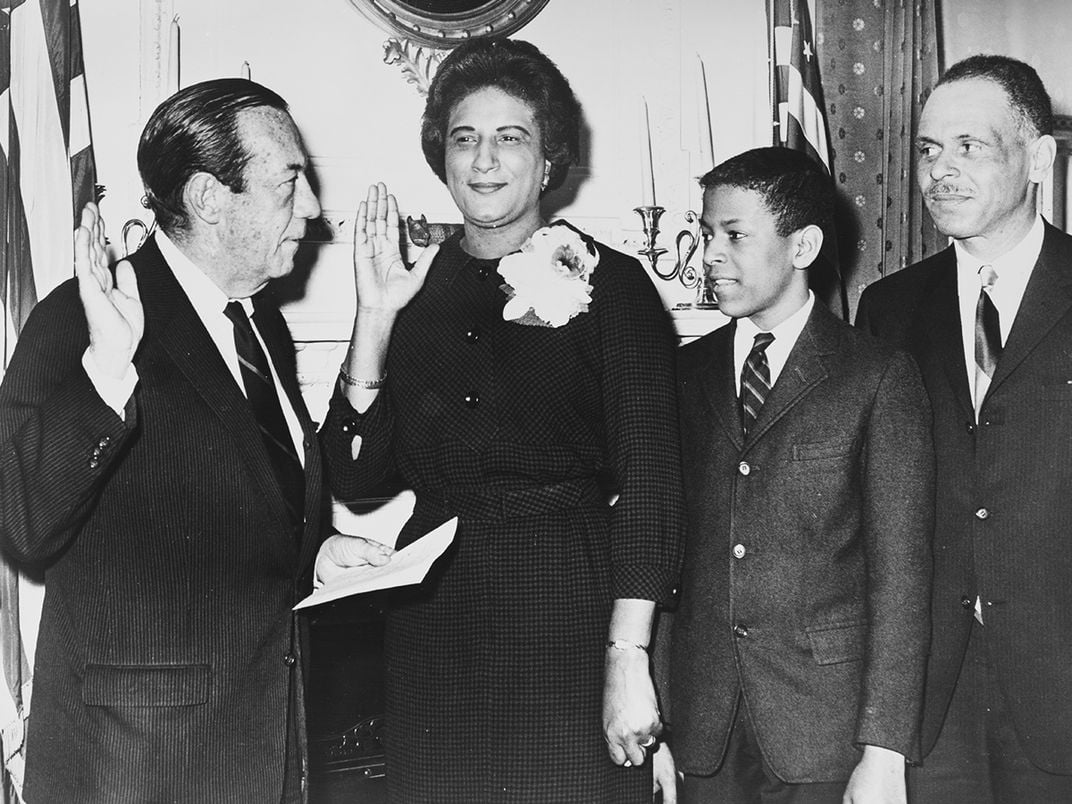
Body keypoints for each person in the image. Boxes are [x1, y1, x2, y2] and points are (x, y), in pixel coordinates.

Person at [0, 78, 393, 802]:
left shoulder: (260, 325)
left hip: (263, 744)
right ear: (212, 200)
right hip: (136, 764)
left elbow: (239, 506)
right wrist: (105, 370)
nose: (311, 208)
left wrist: (318, 551)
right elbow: (20, 521)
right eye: (289, 183)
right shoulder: (87, 318)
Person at [315, 38, 684, 803]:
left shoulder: (614, 287)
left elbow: (653, 484)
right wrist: (374, 318)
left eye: (510, 137)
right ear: (441, 158)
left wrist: (628, 654)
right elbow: (354, 475)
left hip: (571, 614)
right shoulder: (411, 288)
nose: (484, 159)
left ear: (549, 160)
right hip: (434, 617)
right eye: (464, 138)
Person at [667, 147, 934, 803]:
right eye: (706, 235)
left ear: (803, 244)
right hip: (703, 733)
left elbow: (903, 580)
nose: (710, 255)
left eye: (734, 235)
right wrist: (660, 732)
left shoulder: (875, 376)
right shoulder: (680, 375)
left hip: (825, 734)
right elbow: (663, 553)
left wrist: (885, 751)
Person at [856, 54, 1072, 802]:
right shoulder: (887, 311)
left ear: (1038, 157)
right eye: (926, 150)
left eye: (968, 147)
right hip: (930, 694)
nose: (939, 171)